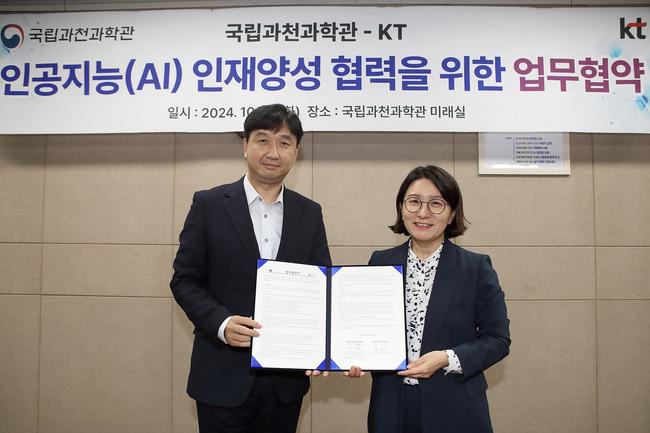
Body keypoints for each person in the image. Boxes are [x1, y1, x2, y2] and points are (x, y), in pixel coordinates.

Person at [170, 104, 331, 433]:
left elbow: (321, 286)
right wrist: (222, 323)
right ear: (245, 145)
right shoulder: (209, 204)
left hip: (285, 382)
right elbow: (185, 280)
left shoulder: (309, 212)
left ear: (296, 151)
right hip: (221, 375)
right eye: (262, 140)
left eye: (284, 142)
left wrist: (325, 347)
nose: (273, 152)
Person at [347, 165, 510, 433]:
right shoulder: (380, 262)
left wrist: (447, 358)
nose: (423, 213)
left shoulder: (476, 268)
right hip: (391, 406)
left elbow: (498, 340)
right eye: (414, 202)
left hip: (455, 407)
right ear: (401, 207)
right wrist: (353, 356)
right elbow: (366, 327)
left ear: (452, 213)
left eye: (436, 204)